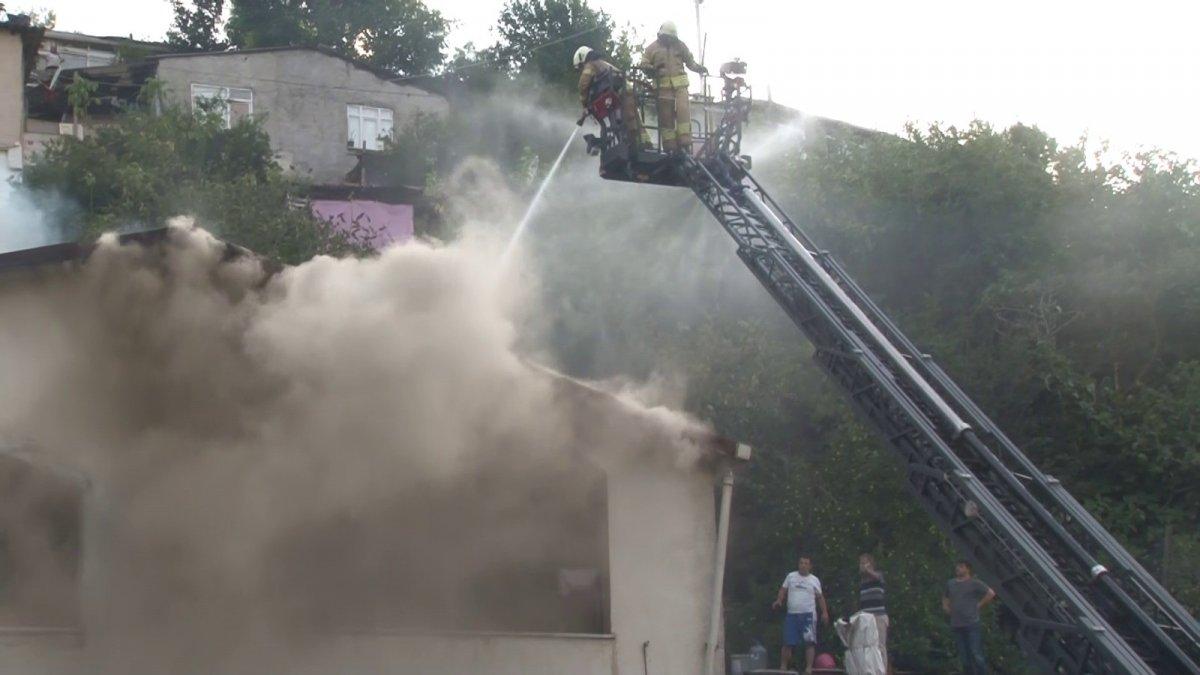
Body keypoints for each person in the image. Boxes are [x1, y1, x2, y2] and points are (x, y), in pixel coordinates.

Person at [638, 21, 707, 154]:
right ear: (661, 35)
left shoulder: (680, 46)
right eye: (667, 37)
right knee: (666, 117)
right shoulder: (651, 48)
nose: (669, 40)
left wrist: (699, 68)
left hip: (680, 86)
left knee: (683, 111)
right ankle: (670, 146)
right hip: (662, 88)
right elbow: (644, 65)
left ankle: (685, 142)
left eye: (671, 38)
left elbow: (690, 62)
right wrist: (652, 69)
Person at [573, 46, 650, 150]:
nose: (581, 70)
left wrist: (585, 104)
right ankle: (643, 143)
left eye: (580, 67)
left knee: (626, 120)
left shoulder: (590, 65)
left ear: (582, 59)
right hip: (626, 92)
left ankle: (632, 144)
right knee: (632, 120)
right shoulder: (603, 64)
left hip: (621, 92)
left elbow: (583, 85)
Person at [773, 554, 831, 674]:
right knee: (787, 642)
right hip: (792, 614)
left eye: (806, 563)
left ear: (810, 566)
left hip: (808, 615)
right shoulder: (791, 576)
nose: (803, 565)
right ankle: (783, 667)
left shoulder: (814, 580)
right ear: (798, 564)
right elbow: (783, 589)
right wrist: (779, 600)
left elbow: (820, 597)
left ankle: (808, 668)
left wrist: (825, 612)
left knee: (809, 643)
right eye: (801, 563)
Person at [942, 560, 996, 675]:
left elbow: (990, 593)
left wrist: (979, 605)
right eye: (957, 566)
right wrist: (945, 606)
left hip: (971, 623)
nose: (958, 568)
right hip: (956, 624)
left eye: (961, 566)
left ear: (968, 569)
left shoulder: (974, 583)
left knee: (976, 654)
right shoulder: (950, 583)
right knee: (964, 657)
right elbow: (945, 596)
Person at [858, 554, 891, 674]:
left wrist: (868, 570)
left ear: (870, 564)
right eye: (860, 563)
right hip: (866, 617)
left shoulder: (879, 576)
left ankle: (882, 671)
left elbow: (876, 576)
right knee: (868, 646)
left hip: (879, 616)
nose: (861, 565)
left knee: (880, 645)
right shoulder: (862, 582)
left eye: (864, 563)